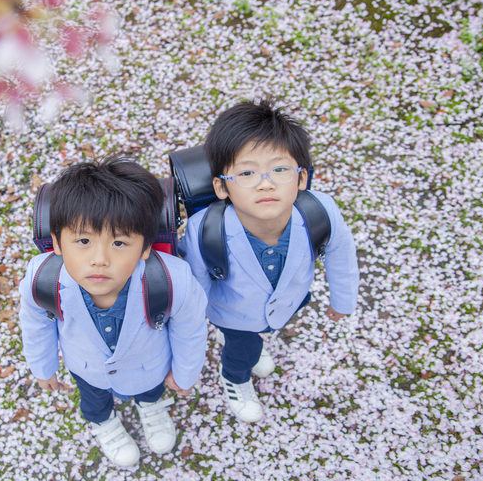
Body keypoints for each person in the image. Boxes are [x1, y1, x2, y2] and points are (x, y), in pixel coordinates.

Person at [18, 156, 208, 467]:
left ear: (145, 248)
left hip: (150, 366)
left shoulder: (174, 281)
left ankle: (150, 406)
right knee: (94, 400)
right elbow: (35, 322)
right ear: (57, 243)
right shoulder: (42, 279)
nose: (99, 259)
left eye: (119, 243)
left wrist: (186, 373)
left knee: (150, 390)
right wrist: (43, 367)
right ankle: (103, 422)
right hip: (86, 367)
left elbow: (190, 329)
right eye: (83, 240)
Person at [180, 100, 359, 423]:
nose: (266, 183)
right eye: (246, 172)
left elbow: (341, 254)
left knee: (262, 332)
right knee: (242, 351)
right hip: (232, 313)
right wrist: (204, 323)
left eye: (280, 169)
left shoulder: (321, 211)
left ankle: (253, 341)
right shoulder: (204, 229)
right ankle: (235, 379)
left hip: (290, 300)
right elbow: (195, 283)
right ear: (221, 186)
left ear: (301, 178)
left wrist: (343, 300)